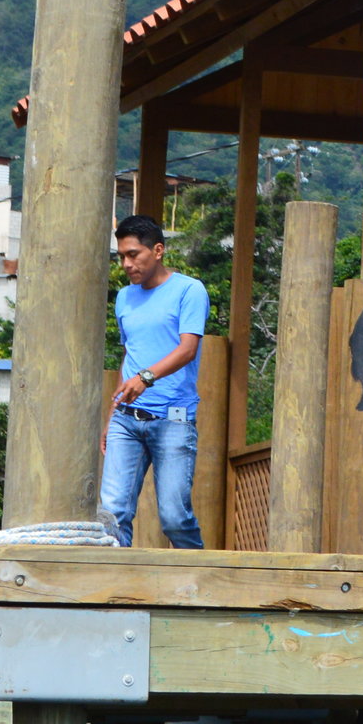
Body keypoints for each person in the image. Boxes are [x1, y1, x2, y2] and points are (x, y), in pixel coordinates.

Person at [99, 215, 209, 548]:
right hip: (125, 420)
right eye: (121, 256)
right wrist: (111, 414)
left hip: (173, 418)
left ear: (157, 250)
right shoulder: (124, 297)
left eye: (134, 254)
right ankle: (114, 594)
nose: (126, 263)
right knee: (112, 514)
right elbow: (129, 356)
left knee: (175, 517)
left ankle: (197, 583)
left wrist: (145, 378)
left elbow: (188, 349)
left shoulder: (189, 290)